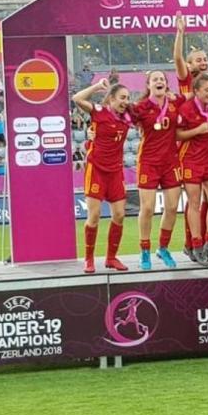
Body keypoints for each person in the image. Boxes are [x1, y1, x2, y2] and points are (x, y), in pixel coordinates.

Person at [72, 78, 131, 274]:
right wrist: (97, 86)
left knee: (120, 215)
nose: (126, 101)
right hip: (96, 169)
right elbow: (77, 98)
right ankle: (89, 259)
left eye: (128, 98)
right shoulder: (100, 111)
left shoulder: (128, 117)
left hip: (115, 171)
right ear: (111, 99)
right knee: (94, 215)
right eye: (122, 98)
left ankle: (111, 258)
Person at [132, 70, 185, 270]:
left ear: (166, 84)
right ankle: (144, 250)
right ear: (149, 85)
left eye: (162, 79)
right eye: (155, 79)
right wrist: (93, 131)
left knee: (172, 207)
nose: (159, 82)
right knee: (147, 208)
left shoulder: (175, 103)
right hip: (148, 162)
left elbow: (192, 100)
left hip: (171, 162)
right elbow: (123, 119)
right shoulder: (141, 107)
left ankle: (163, 248)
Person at [178, 74, 208, 266]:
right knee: (194, 202)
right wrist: (197, 130)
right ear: (196, 91)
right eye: (206, 90)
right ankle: (195, 245)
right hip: (190, 159)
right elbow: (177, 134)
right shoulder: (186, 109)